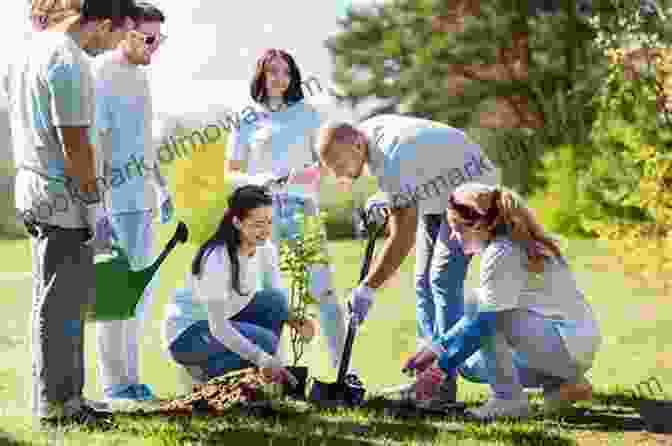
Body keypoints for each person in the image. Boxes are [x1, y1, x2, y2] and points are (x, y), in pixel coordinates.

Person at [2, 0, 138, 426]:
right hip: (63, 200)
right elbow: (75, 145)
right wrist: (94, 208)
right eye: (119, 34)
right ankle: (59, 408)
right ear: (101, 24)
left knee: (59, 302)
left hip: (35, 190)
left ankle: (68, 398)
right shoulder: (70, 60)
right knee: (61, 307)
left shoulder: (29, 50)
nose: (116, 44)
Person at [315, 115, 500, 407]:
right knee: (422, 282)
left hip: (473, 192)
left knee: (441, 279)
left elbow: (402, 236)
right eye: (333, 169)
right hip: (438, 193)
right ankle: (427, 379)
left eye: (340, 165)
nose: (339, 174)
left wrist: (368, 288)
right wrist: (386, 197)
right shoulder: (369, 135)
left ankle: (442, 380)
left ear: (357, 144)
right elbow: (412, 175)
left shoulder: (391, 156)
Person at [402, 183, 602, 420]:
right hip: (571, 346)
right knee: (474, 353)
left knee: (484, 315)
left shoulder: (502, 252)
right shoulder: (511, 243)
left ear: (478, 224)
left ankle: (510, 400)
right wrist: (436, 347)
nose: (454, 238)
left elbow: (485, 322)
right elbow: (477, 319)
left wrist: (437, 371)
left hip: (566, 345)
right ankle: (563, 384)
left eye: (457, 229)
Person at [225, 49, 358, 381]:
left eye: (285, 72)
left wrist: (300, 178)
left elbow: (325, 166)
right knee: (272, 296)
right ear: (261, 75)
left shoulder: (309, 115)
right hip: (262, 215)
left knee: (323, 291)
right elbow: (231, 171)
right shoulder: (246, 117)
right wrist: (259, 181)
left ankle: (344, 372)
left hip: (302, 210)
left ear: (293, 76)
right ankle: (277, 373)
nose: (279, 78)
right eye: (272, 71)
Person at [90, 1, 174, 403]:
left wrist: (162, 185)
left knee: (138, 298)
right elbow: (99, 143)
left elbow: (144, 140)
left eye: (161, 39)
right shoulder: (102, 72)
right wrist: (101, 206)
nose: (155, 47)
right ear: (126, 30)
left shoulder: (141, 76)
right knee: (114, 298)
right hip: (116, 202)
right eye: (149, 38)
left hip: (142, 199)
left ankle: (132, 380)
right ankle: (114, 385)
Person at [162, 184, 315, 386]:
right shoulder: (217, 258)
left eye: (269, 222)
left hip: (223, 321)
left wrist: (296, 319)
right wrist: (262, 357)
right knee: (265, 342)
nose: (266, 231)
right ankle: (205, 371)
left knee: (275, 302)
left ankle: (256, 379)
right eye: (257, 224)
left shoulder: (264, 248)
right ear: (237, 222)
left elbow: (276, 300)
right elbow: (218, 327)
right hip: (189, 335)